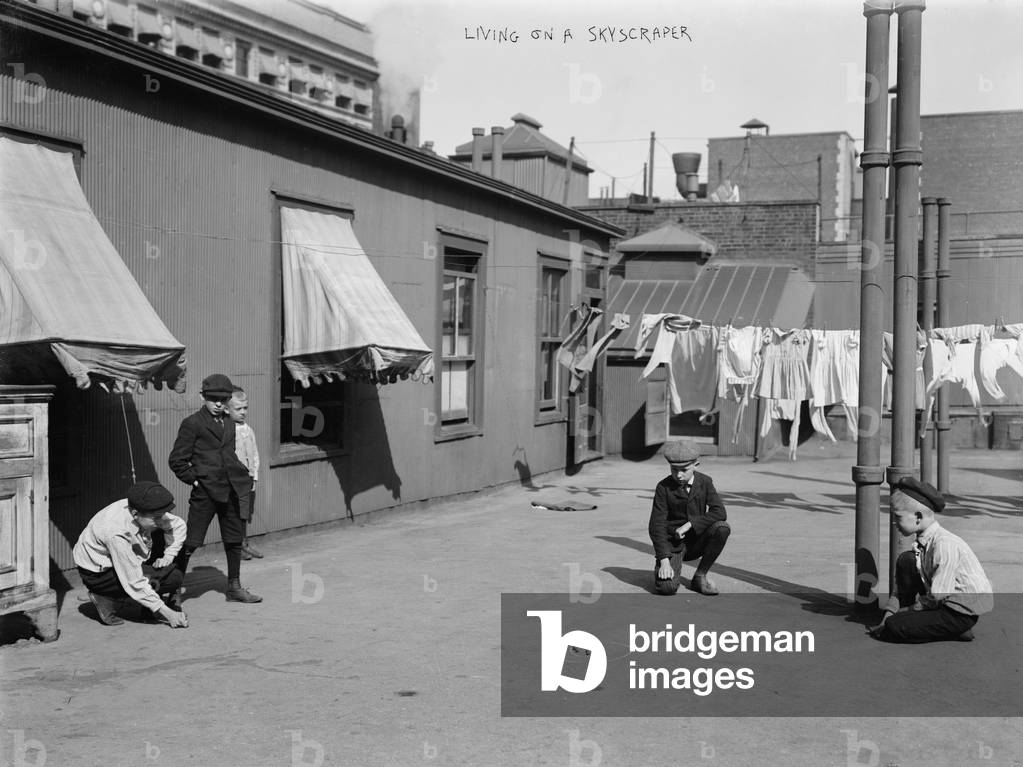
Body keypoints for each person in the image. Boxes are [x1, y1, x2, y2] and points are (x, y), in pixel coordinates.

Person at [169, 373, 262, 603]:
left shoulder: (230, 423)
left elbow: (229, 455)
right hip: (206, 492)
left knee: (233, 540)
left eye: (223, 399)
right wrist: (195, 480)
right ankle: (172, 591)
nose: (219, 404)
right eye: (213, 399)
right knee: (191, 541)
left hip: (231, 489)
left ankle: (234, 588)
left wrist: (242, 476)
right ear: (202, 396)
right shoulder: (192, 424)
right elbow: (177, 460)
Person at [868, 477, 992, 643]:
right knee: (906, 560)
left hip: (959, 612)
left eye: (898, 517)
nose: (894, 522)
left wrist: (906, 611)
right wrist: (889, 615)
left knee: (895, 627)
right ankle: (938, 627)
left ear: (918, 517)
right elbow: (901, 589)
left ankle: (955, 629)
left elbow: (937, 595)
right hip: (941, 603)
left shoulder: (944, 545)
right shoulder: (923, 542)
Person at [73, 481, 189, 628]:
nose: (161, 520)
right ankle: (102, 594)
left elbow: (178, 525)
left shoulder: (144, 510)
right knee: (172, 579)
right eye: (156, 517)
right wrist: (168, 613)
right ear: (135, 514)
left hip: (123, 558)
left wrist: (168, 556)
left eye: (162, 515)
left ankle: (147, 598)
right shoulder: (115, 532)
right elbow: (133, 581)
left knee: (172, 565)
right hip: (98, 574)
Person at [648, 440, 731, 596]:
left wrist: (689, 525)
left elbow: (719, 511)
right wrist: (664, 560)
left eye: (684, 470)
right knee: (667, 589)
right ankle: (669, 567)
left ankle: (700, 576)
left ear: (696, 465)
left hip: (697, 541)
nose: (678, 475)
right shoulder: (663, 487)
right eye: (674, 470)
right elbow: (656, 525)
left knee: (722, 528)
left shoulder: (705, 482)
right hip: (673, 545)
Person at [227, 385, 262, 560]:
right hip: (232, 480)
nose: (243, 412)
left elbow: (254, 454)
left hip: (246, 480)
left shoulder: (248, 430)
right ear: (227, 409)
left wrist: (254, 476)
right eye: (238, 408)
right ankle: (235, 547)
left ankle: (244, 544)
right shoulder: (226, 431)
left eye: (245, 408)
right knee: (232, 514)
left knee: (243, 513)